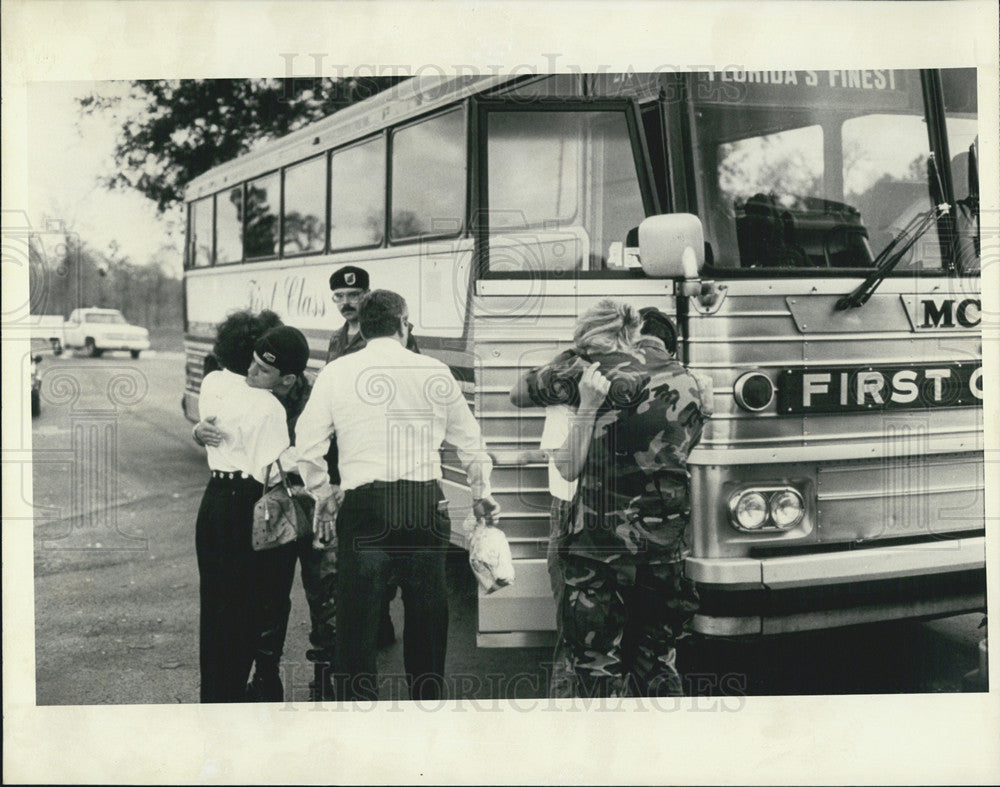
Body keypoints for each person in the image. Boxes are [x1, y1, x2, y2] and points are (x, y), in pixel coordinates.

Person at [296, 289, 501, 702]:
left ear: (364, 328)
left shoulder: (336, 373)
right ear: (403, 324)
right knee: (427, 617)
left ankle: (358, 715)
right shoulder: (435, 371)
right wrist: (481, 493)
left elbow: (307, 444)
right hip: (422, 504)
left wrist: (323, 493)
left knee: (358, 619)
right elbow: (472, 444)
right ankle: (426, 708)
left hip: (363, 506)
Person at [525, 299, 709, 697]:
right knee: (657, 661)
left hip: (599, 549)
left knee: (595, 664)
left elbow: (523, 396)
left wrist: (582, 386)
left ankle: (604, 752)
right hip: (665, 549)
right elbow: (686, 450)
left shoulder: (591, 375)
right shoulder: (691, 383)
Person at [194, 309, 297, 703]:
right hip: (249, 504)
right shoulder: (269, 406)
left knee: (215, 607)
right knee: (248, 608)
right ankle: (237, 695)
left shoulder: (212, 382)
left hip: (214, 502)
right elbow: (269, 468)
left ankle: (214, 697)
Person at [325, 265, 420, 656]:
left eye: (355, 296)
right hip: (346, 448)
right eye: (340, 297)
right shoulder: (336, 339)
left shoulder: (396, 338)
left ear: (368, 297)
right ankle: (371, 617)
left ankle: (379, 615)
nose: (348, 304)